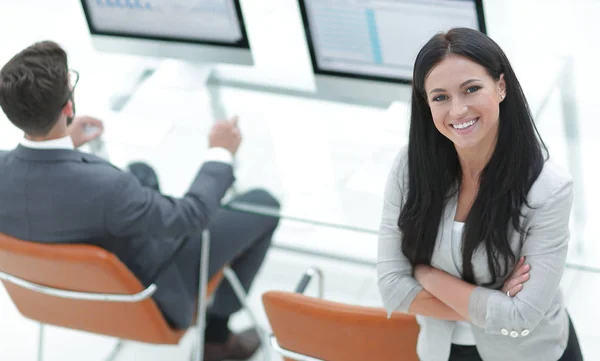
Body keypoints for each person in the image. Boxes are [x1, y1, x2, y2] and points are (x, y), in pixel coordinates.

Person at [0, 40, 280, 361]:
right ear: (68, 108)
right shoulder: (109, 188)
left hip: (50, 297)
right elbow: (193, 215)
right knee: (263, 203)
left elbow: (47, 188)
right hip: (150, 296)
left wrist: (63, 141)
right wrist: (220, 152)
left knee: (141, 173)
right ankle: (216, 336)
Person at [377, 28, 583, 361]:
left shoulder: (549, 188)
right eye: (440, 97)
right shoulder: (409, 167)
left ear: (500, 86)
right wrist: (494, 304)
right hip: (444, 351)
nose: (457, 110)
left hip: (530, 353)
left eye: (471, 89)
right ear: (426, 104)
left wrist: (425, 274)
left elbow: (522, 317)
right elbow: (392, 288)